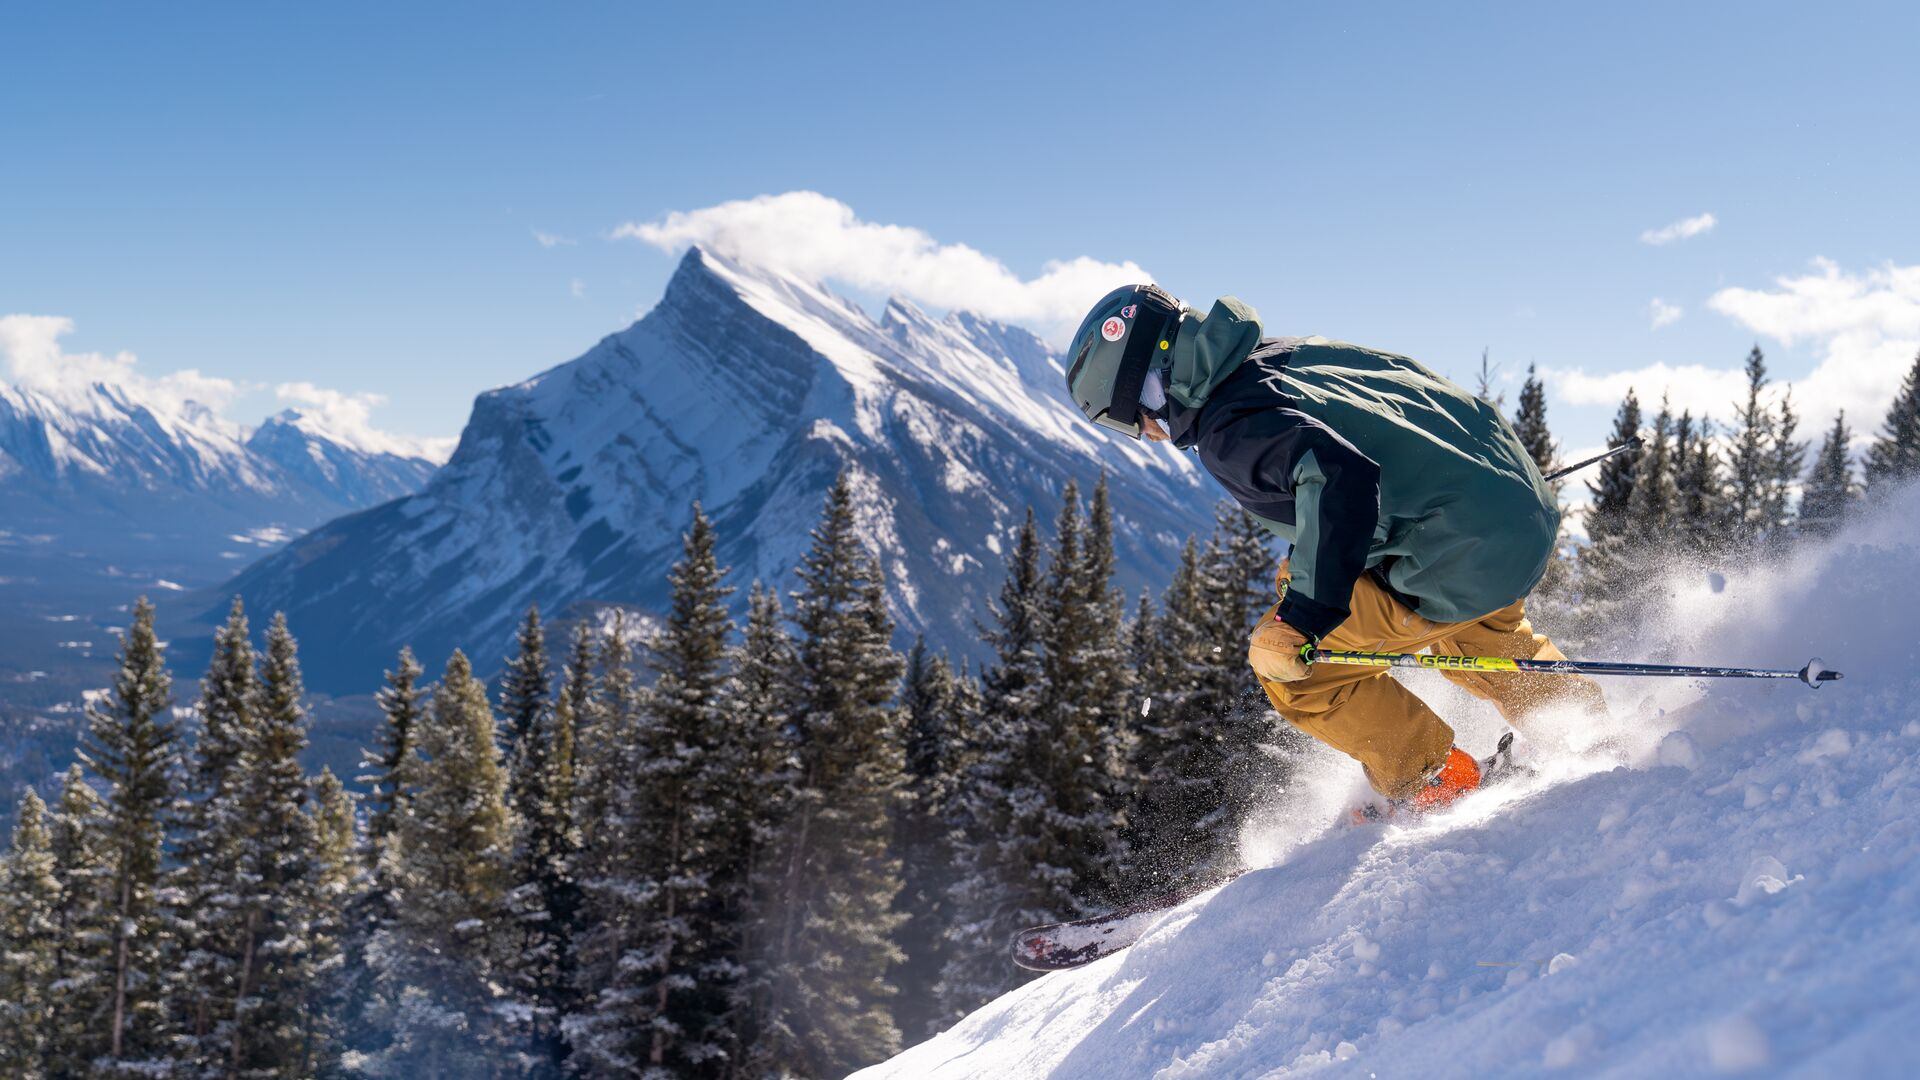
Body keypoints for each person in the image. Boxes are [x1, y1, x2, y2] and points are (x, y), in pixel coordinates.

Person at [1065, 284, 1605, 812]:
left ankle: (1436, 778)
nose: (1147, 434)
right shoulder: (1283, 355)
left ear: (1148, 384)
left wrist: (1303, 618)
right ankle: (1586, 725)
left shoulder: (1229, 429)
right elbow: (1407, 389)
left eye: (1128, 418)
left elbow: (1339, 479)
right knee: (1477, 635)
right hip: (1515, 513)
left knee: (1294, 669)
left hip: (1452, 550)